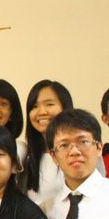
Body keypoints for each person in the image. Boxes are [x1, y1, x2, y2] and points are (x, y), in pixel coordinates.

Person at [21, 79, 73, 211]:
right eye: (34, 107)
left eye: (49, 104)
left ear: (65, 107)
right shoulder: (25, 155)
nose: (41, 112)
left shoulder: (82, 152)